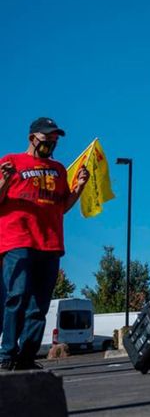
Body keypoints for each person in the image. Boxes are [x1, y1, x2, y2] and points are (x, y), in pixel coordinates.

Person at [0, 117, 89, 371]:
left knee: (39, 305)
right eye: (47, 138)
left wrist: (79, 187)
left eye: (54, 139)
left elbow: (62, 207)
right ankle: (7, 352)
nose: (51, 142)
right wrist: (5, 180)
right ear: (32, 138)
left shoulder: (59, 169)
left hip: (50, 243)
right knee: (16, 296)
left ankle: (27, 356)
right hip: (18, 239)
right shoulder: (11, 162)